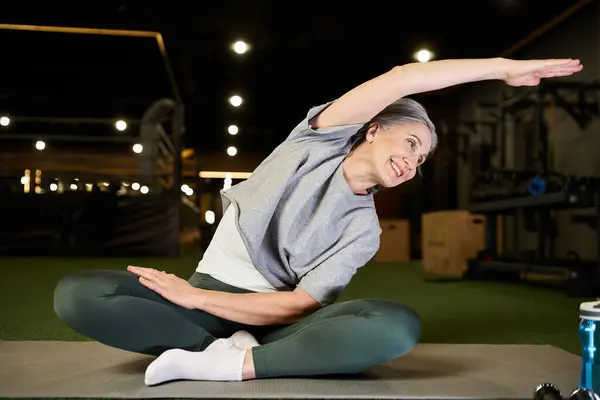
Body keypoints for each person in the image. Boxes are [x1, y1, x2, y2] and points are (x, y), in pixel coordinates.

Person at [53, 57, 582, 385]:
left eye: (422, 161)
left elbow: (301, 304)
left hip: (272, 319)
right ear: (374, 130)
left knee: (396, 325)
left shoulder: (365, 230)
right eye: (412, 144)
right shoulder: (316, 140)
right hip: (206, 311)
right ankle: (230, 350)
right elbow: (404, 77)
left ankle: (231, 364)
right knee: (78, 294)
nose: (413, 161)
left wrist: (198, 299)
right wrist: (502, 69)